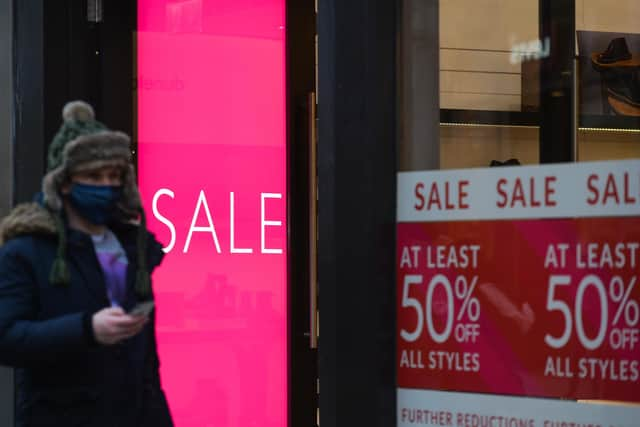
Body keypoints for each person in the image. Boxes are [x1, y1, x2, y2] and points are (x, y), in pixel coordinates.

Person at [0, 101, 174, 427]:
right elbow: (6, 338)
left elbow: (147, 363)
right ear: (64, 183)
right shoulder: (25, 251)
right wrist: (86, 330)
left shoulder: (133, 246)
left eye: (114, 176)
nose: (107, 186)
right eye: (93, 176)